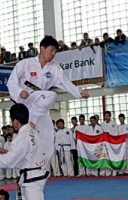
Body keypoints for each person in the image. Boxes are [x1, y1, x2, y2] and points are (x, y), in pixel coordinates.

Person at [7, 35, 89, 169]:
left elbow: (65, 83)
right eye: (51, 50)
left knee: (49, 135)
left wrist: (79, 93)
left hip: (40, 104)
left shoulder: (54, 69)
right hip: (25, 101)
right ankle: (31, 123)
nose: (53, 54)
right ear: (42, 48)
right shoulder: (25, 64)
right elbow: (12, 81)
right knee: (51, 95)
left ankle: (38, 166)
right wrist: (19, 92)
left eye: (55, 52)